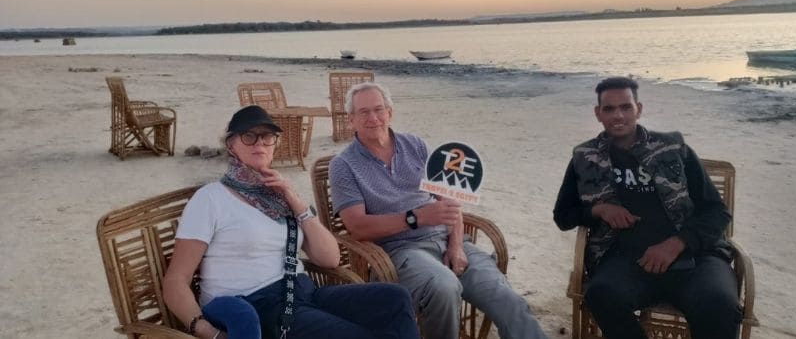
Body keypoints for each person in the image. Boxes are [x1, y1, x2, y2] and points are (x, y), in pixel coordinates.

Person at [163, 105, 420, 339]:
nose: (259, 144)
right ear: (232, 145)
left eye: (267, 137)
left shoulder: (282, 197)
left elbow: (329, 259)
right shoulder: (211, 198)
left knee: (394, 297)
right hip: (256, 305)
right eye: (249, 136)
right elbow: (176, 279)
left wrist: (297, 205)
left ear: (275, 144)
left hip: (304, 291)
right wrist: (206, 330)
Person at [329, 82, 549, 339]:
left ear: (390, 112)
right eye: (364, 112)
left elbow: (449, 202)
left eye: (379, 109)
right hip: (401, 251)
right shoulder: (343, 165)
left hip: (448, 240)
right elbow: (357, 227)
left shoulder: (416, 145)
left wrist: (456, 245)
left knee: (507, 298)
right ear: (351, 119)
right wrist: (415, 218)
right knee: (445, 286)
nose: (373, 118)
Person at [553, 76, 742, 339]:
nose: (618, 115)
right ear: (598, 114)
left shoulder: (673, 148)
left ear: (638, 109)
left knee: (719, 305)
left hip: (695, 259)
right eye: (609, 109)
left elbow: (717, 211)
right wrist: (599, 210)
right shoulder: (585, 157)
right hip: (627, 261)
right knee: (601, 295)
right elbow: (563, 216)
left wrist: (675, 244)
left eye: (626, 107)